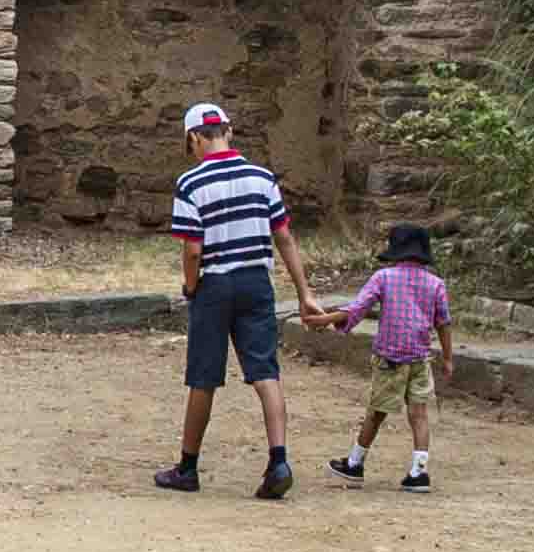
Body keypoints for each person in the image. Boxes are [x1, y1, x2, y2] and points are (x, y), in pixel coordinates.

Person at [158, 102, 310, 498]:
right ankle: (279, 460)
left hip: (215, 285)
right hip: (257, 282)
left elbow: (193, 250)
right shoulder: (263, 178)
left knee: (203, 377)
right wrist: (305, 293)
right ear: (230, 130)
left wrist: (191, 287)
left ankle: (188, 468)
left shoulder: (191, 184)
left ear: (193, 138)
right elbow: (285, 238)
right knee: (266, 372)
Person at [319, 222, 454, 492]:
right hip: (420, 359)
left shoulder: (384, 278)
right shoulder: (435, 284)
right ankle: (419, 472)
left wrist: (324, 319)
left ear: (396, 251)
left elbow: (357, 309)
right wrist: (448, 357)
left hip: (390, 359)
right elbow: (443, 323)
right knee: (419, 415)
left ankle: (355, 464)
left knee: (376, 413)